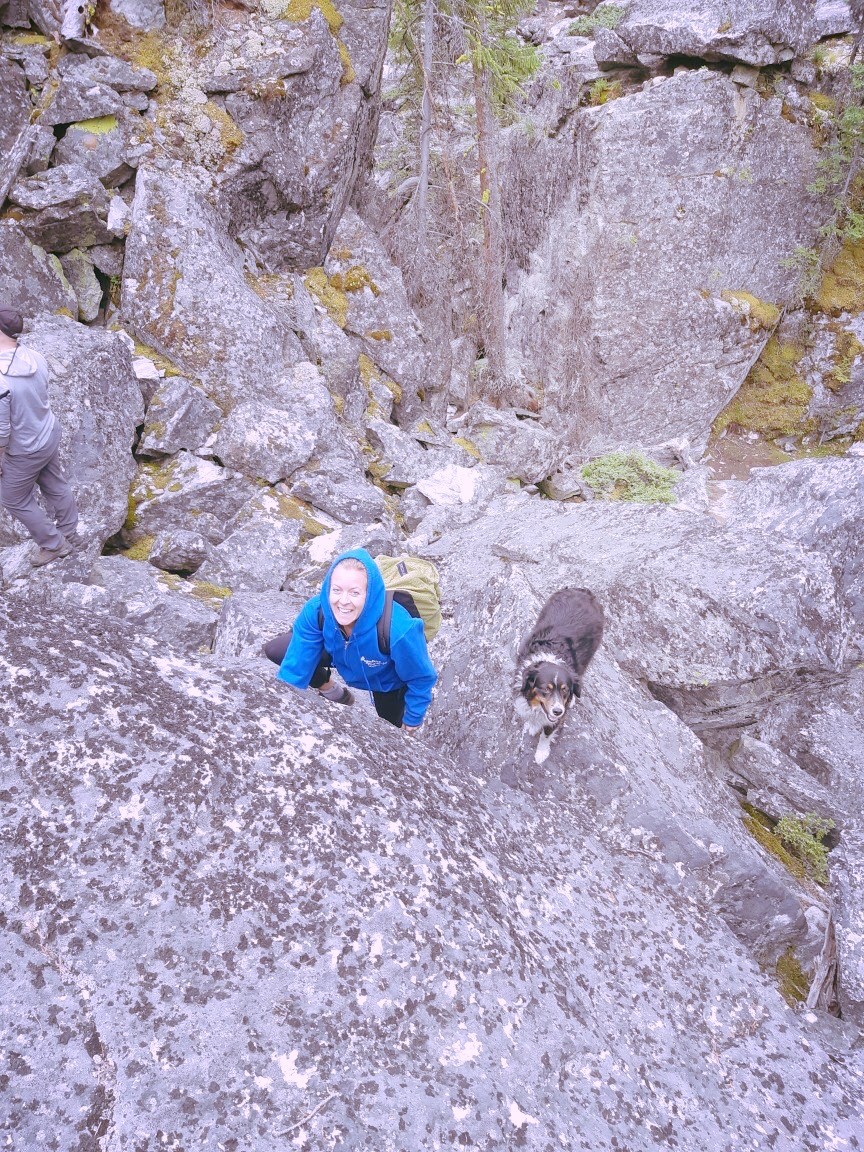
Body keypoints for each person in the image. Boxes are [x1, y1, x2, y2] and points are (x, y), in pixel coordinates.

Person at [268, 548, 438, 730]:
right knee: (278, 650)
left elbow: (421, 677)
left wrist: (412, 717)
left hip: (386, 681)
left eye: (354, 593)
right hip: (339, 653)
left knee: (390, 727)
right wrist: (281, 713)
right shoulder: (316, 611)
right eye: (337, 590)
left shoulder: (399, 629)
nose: (343, 601)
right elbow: (294, 669)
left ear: (369, 594)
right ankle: (333, 692)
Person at [0, 305, 82, 567]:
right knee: (54, 483)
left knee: (12, 498)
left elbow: (2, 431)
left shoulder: (2, 380)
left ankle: (53, 544)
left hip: (24, 448)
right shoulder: (35, 356)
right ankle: (69, 531)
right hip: (48, 432)